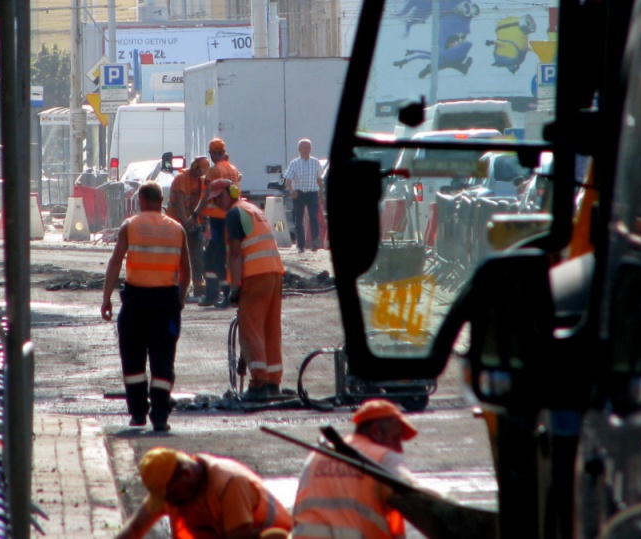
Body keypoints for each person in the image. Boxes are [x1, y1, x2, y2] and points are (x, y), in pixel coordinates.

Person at [292, 399, 497, 539]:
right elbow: (415, 493)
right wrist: (455, 507)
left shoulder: (318, 455)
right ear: (376, 431)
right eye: (397, 438)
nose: (400, 448)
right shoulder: (380, 457)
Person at [101, 181, 190, 431]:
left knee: (133, 359)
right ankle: (160, 416)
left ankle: (138, 414)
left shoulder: (130, 226)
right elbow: (187, 272)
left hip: (136, 302)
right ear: (161, 200)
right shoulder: (177, 229)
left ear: (141, 199)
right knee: (163, 359)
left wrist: (106, 298)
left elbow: (115, 263)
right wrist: (179, 299)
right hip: (166, 302)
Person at [205, 179, 284, 401]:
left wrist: (235, 287)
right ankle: (272, 381)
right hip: (274, 274)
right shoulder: (252, 209)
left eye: (219, 197)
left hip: (255, 277)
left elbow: (236, 254)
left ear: (231, 193)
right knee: (270, 329)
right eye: (214, 200)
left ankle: (259, 383)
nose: (217, 203)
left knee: (251, 330)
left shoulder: (234, 214)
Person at [116, 447, 292, 539]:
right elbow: (135, 529)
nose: (170, 502)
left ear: (186, 474)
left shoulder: (229, 483)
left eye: (171, 495)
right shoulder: (172, 487)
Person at [189, 138, 241, 308]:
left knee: (218, 257)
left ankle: (226, 294)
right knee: (209, 256)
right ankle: (211, 294)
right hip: (229, 216)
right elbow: (238, 179)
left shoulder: (214, 170)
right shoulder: (232, 168)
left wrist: (195, 214)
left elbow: (207, 196)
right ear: (224, 152)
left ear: (211, 154)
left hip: (218, 219)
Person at [168, 156, 209, 300]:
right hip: (177, 223)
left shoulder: (200, 181)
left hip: (192, 223)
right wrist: (185, 222)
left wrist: (203, 221)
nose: (200, 175)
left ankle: (199, 287)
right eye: (200, 172)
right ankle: (178, 290)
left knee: (197, 256)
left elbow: (202, 203)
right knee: (178, 257)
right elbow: (179, 203)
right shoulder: (181, 178)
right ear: (195, 167)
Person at [283, 138, 323, 253]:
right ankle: (301, 246)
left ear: (311, 149)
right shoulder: (294, 163)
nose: (305, 150)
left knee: (314, 217)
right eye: (303, 147)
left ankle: (315, 241)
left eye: (307, 147)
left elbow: (319, 179)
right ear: (299, 149)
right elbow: (288, 180)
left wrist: (321, 195)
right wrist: (291, 190)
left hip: (312, 193)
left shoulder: (315, 162)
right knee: (298, 220)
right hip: (299, 194)